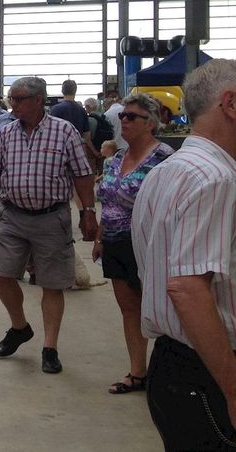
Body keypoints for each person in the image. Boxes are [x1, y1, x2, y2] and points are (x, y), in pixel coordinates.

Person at [131, 59, 236, 450]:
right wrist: (233, 389)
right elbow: (188, 288)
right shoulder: (216, 178)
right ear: (230, 104)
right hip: (205, 371)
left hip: (172, 366)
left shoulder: (167, 170)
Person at [0, 76, 97, 375]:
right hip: (13, 216)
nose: (12, 105)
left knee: (53, 283)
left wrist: (88, 212)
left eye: (18, 99)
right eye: (11, 99)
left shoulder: (64, 132)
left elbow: (82, 174)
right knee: (3, 274)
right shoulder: (6, 134)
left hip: (51, 218)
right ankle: (20, 327)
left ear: (39, 100)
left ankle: (50, 347)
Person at [91, 92, 173, 395]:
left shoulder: (164, 159)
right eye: (123, 116)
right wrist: (100, 237)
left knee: (161, 310)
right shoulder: (115, 159)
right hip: (115, 242)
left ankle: (170, 373)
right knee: (129, 309)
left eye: (131, 117)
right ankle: (138, 373)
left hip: (150, 245)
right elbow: (109, 202)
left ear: (150, 123)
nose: (123, 121)